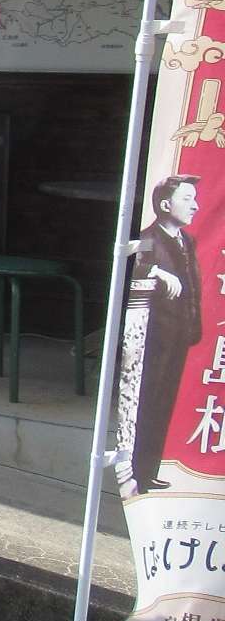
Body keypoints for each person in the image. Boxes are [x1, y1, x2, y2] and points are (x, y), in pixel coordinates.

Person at [126, 173, 202, 493]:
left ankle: (148, 470)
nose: (195, 206)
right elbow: (133, 259)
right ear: (166, 204)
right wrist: (156, 271)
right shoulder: (149, 237)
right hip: (154, 337)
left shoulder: (189, 241)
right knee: (149, 401)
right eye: (188, 199)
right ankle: (137, 472)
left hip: (179, 334)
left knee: (164, 403)